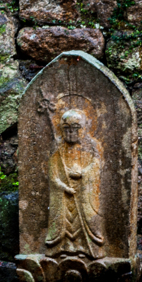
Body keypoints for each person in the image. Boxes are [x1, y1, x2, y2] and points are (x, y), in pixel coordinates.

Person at [45, 109, 105, 260]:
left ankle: (85, 248)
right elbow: (52, 175)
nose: (71, 132)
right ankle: (62, 248)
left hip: (85, 191)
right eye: (66, 129)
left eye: (75, 128)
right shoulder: (57, 146)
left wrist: (83, 173)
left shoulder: (91, 145)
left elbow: (96, 166)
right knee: (62, 219)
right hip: (64, 193)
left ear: (84, 127)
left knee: (87, 216)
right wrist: (64, 188)